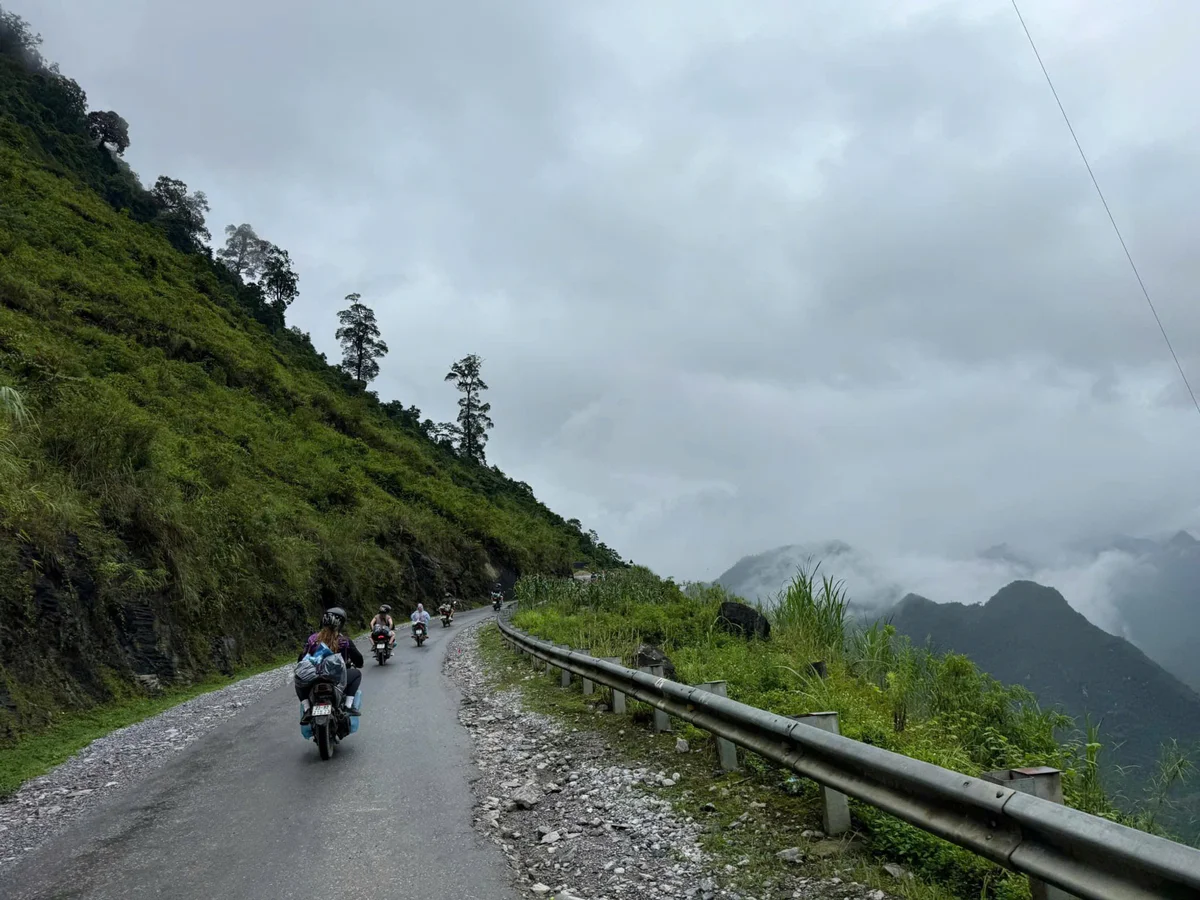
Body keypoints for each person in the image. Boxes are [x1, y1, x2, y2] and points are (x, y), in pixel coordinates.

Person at [296, 607, 363, 724]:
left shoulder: (312, 639)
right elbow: (359, 661)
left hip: (314, 677)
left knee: (298, 679)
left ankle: (307, 709)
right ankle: (348, 705)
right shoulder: (344, 641)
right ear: (341, 624)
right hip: (336, 680)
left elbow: (301, 660)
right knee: (357, 674)